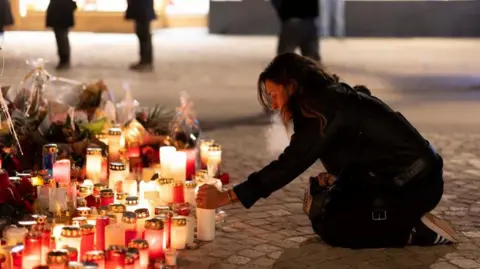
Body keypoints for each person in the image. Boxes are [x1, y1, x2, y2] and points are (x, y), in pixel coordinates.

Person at [196, 53, 459, 248]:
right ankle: (402, 218)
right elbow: (365, 148)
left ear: (291, 86)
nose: (274, 105)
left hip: (417, 183)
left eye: (274, 95)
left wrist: (228, 197)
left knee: (335, 227)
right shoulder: (324, 99)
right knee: (325, 207)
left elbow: (291, 163)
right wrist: (340, 177)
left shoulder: (321, 110)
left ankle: (415, 230)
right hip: (400, 178)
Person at [125, 0, 156, 71]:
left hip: (143, 8)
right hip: (141, 8)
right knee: (141, 32)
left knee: (143, 33)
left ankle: (146, 61)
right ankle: (144, 60)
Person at [46, 0, 77, 70]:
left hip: (61, 16)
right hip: (60, 15)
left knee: (62, 38)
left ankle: (64, 60)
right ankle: (64, 59)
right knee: (61, 38)